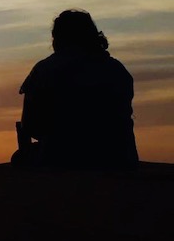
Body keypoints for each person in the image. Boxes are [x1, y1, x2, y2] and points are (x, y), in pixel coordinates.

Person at [17, 10, 137, 168]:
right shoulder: (117, 70)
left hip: (61, 159)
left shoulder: (44, 70)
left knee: (20, 158)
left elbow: (31, 125)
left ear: (57, 37)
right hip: (118, 158)